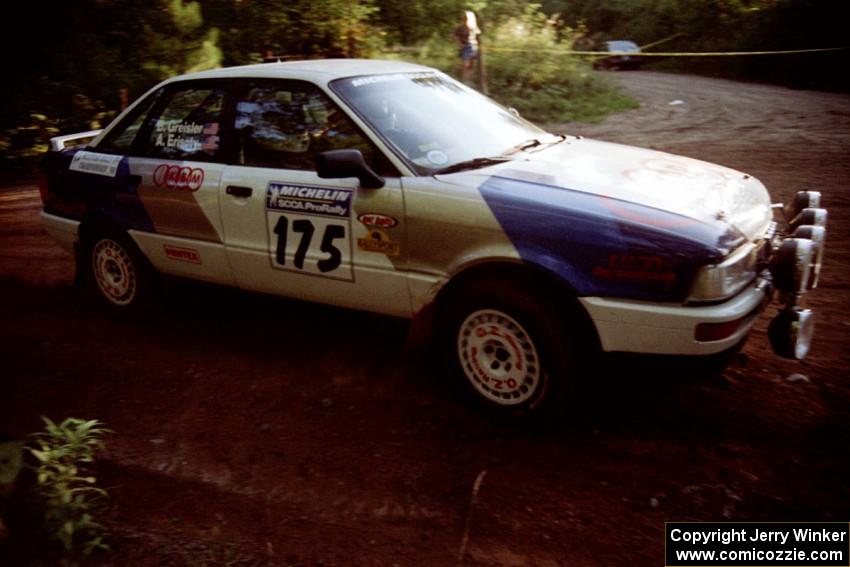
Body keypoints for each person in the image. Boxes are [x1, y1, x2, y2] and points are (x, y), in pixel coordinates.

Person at [453, 10, 481, 84]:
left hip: (474, 47)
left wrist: (477, 45)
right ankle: (463, 80)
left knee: (471, 65)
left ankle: (468, 81)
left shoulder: (474, 27)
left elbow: (478, 36)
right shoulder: (460, 27)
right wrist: (459, 44)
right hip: (465, 46)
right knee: (466, 65)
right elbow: (455, 35)